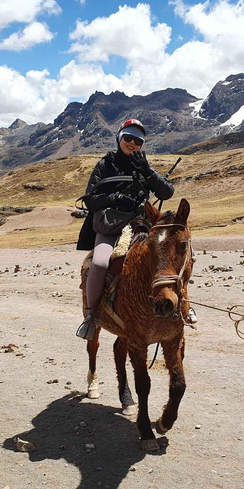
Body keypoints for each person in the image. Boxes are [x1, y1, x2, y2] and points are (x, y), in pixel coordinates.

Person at [75, 119, 175, 339]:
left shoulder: (143, 165)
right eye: (127, 138)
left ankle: (181, 308)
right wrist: (115, 197)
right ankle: (91, 317)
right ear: (119, 138)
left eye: (137, 140)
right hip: (110, 227)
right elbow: (89, 200)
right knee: (100, 263)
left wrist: (148, 172)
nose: (132, 143)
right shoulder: (105, 164)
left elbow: (167, 193)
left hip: (141, 226)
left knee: (174, 256)